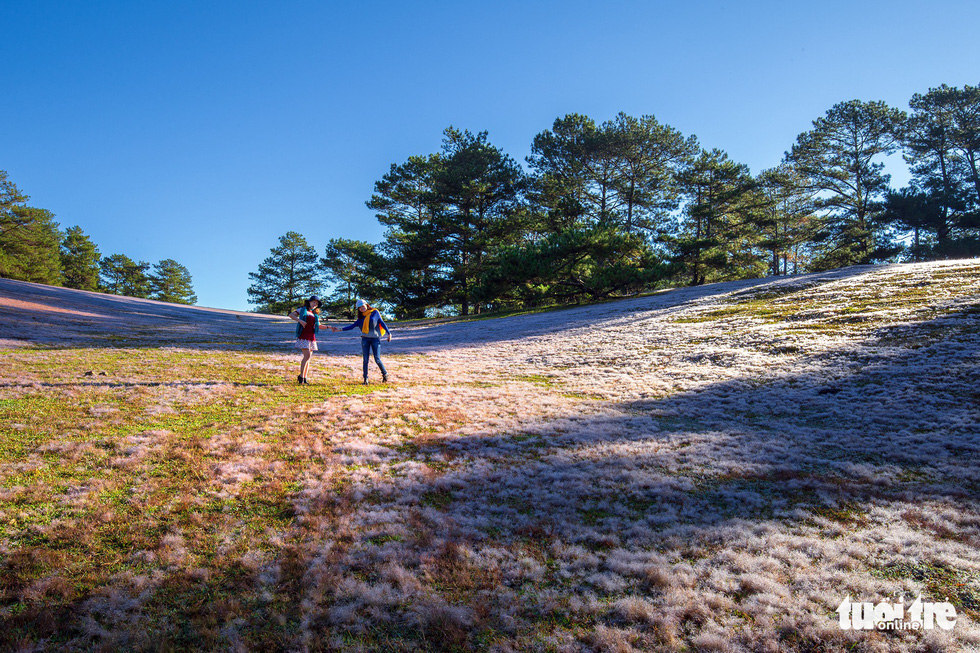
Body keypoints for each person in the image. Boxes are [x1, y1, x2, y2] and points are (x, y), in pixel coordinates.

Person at [329, 298, 391, 384]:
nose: (362, 308)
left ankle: (385, 374)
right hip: (365, 339)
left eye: (362, 306)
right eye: (360, 308)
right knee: (365, 359)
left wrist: (389, 333)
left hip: (375, 339)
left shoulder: (375, 312)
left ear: (366, 305)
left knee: (377, 359)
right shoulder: (360, 318)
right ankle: (365, 379)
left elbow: (381, 322)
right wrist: (339, 329)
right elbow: (351, 326)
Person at [288, 296, 321, 384]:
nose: (315, 304)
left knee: (308, 358)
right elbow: (291, 315)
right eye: (313, 302)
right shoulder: (302, 310)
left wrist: (330, 327)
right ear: (309, 302)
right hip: (304, 335)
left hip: (311, 337)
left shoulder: (315, 314)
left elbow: (319, 326)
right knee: (307, 355)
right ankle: (301, 376)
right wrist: (300, 321)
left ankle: (304, 378)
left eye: (316, 303)